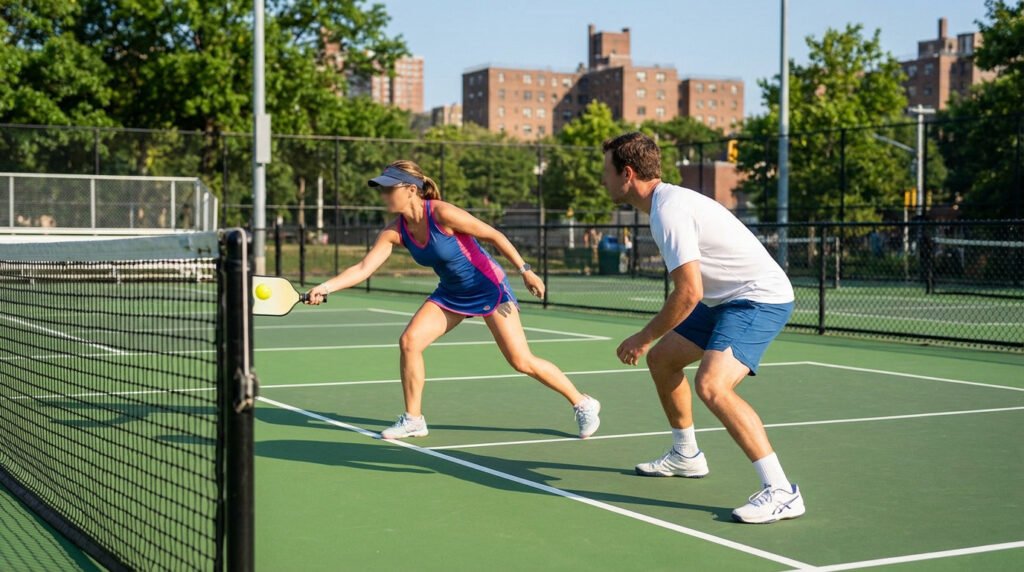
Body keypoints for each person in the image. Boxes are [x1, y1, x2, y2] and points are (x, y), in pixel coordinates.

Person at [304, 160, 601, 440]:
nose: (383, 194)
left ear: (411, 190)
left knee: (521, 360)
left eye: (388, 188)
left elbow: (493, 235)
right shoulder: (395, 231)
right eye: (381, 188)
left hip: (488, 288)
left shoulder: (442, 213)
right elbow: (363, 268)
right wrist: (326, 288)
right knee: (409, 341)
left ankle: (582, 403)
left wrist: (526, 271)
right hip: (451, 293)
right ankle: (413, 419)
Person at [600, 132, 803, 524]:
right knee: (663, 361)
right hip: (722, 299)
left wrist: (642, 337)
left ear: (627, 174)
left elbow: (688, 292)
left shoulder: (669, 211)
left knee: (712, 385)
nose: (602, 180)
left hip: (758, 298)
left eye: (605, 172)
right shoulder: (664, 204)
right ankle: (686, 455)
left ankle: (781, 491)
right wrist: (652, 344)